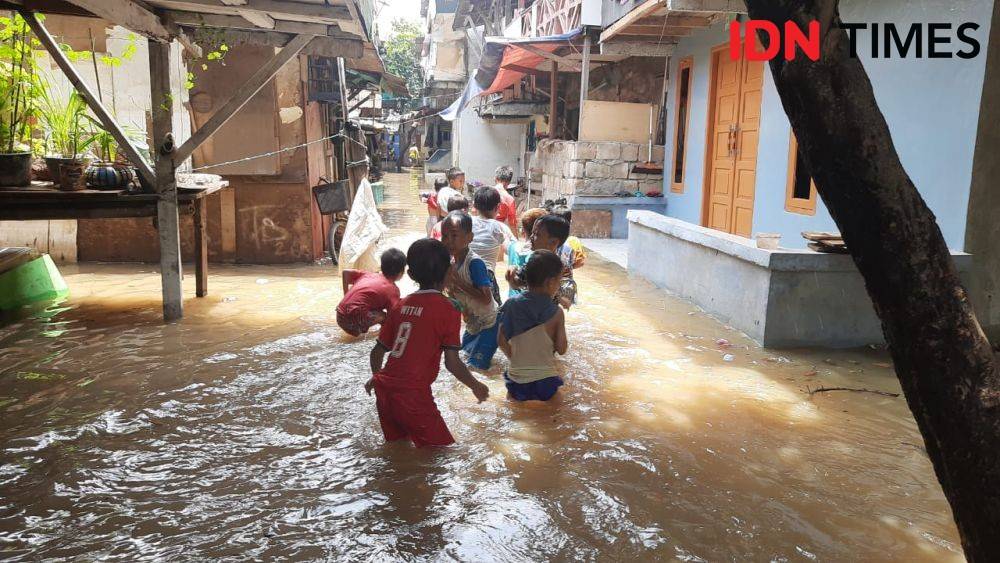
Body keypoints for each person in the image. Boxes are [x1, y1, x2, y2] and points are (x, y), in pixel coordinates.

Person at [365, 239, 489, 447]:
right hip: (413, 395)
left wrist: (377, 377)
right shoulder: (448, 309)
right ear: (450, 272)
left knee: (398, 451)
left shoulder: (399, 306)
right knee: (442, 453)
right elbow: (452, 363)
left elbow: (376, 353)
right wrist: (475, 385)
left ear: (411, 275)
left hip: (384, 390)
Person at [498, 250, 569, 402]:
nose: (559, 285)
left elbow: (500, 340)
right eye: (559, 281)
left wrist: (514, 357)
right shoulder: (556, 312)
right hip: (545, 379)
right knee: (557, 413)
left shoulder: (511, 304)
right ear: (550, 283)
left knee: (513, 408)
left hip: (516, 377)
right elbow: (562, 349)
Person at [440, 211, 500, 370]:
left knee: (476, 367)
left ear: (469, 238)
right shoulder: (453, 263)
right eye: (444, 236)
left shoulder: (475, 263)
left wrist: (458, 283)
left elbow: (486, 298)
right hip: (473, 322)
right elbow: (456, 296)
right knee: (462, 355)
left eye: (454, 236)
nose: (448, 241)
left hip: (490, 322)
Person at [336, 248, 406, 337]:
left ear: (381, 266)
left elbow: (345, 273)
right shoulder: (393, 290)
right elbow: (393, 315)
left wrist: (346, 295)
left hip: (340, 314)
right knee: (385, 317)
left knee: (374, 308)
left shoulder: (368, 275)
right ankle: (376, 337)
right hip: (355, 319)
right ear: (401, 272)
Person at [470, 186, 515, 305]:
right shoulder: (498, 227)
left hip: (463, 274)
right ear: (498, 207)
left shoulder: (467, 222)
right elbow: (510, 250)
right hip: (486, 276)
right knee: (496, 315)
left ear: (474, 205)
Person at [504, 208, 548, 298]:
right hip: (531, 305)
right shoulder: (539, 256)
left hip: (513, 300)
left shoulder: (512, 247)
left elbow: (505, 242)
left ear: (523, 231)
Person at [493, 165, 519, 235]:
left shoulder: (484, 192)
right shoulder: (509, 199)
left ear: (495, 178)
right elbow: (512, 223)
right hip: (497, 234)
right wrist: (516, 241)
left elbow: (474, 212)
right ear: (509, 182)